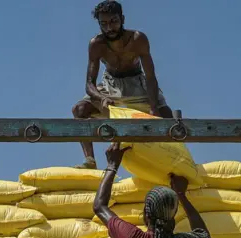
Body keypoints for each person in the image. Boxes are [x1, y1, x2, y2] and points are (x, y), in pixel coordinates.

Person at [72, 0, 174, 169]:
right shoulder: (96, 44)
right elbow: (89, 84)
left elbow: (150, 77)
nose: (109, 28)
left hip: (137, 83)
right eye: (103, 24)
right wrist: (101, 98)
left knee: (167, 115)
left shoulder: (138, 39)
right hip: (110, 84)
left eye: (113, 22)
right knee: (79, 110)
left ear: (122, 19)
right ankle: (90, 161)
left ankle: (171, 163)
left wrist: (154, 107)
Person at [93, 143, 222, 238]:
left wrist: (112, 165)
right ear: (173, 216)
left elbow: (99, 206)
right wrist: (181, 195)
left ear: (147, 214)